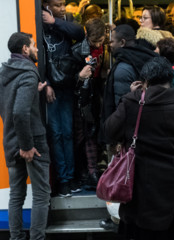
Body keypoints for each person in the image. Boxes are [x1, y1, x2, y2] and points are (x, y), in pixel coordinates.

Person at [104, 57, 174, 240]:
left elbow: (109, 131)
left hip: (143, 187)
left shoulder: (132, 103)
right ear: (170, 79)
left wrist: (129, 96)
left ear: (144, 81)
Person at [0, 32, 50, 240]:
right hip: (31, 143)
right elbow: (20, 112)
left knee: (16, 196)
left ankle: (16, 238)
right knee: (41, 195)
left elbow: (8, 104)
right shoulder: (28, 73)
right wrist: (27, 145)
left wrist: (33, 91)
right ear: (25, 50)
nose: (36, 49)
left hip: (10, 139)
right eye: (33, 45)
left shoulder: (5, 71)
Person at [42, 0, 85, 197]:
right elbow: (38, 56)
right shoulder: (37, 21)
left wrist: (54, 21)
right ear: (46, 4)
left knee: (68, 133)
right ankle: (62, 180)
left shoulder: (64, 21)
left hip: (67, 85)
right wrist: (46, 83)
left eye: (63, 4)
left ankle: (71, 176)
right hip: (50, 87)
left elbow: (79, 33)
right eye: (57, 4)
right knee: (56, 134)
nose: (63, 8)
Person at [100, 24, 158, 143]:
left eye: (112, 41)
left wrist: (118, 139)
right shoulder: (146, 57)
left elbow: (121, 106)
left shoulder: (123, 68)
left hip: (128, 132)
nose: (109, 45)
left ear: (122, 43)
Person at [71, 18, 107, 189]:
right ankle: (83, 170)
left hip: (95, 95)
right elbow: (68, 79)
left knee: (92, 133)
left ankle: (91, 171)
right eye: (94, 41)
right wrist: (80, 76)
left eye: (101, 40)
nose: (98, 44)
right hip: (81, 97)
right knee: (81, 135)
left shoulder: (104, 47)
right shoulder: (77, 51)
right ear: (86, 35)